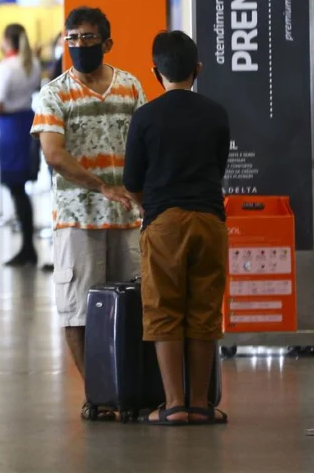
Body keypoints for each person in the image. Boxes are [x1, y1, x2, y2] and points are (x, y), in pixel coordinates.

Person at [30, 7, 145, 416]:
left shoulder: (130, 87)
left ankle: (130, 388)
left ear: (107, 43)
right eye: (72, 38)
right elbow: (54, 155)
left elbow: (145, 146)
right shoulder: (54, 94)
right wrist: (102, 187)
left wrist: (136, 193)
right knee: (79, 309)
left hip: (128, 218)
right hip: (77, 218)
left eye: (88, 39)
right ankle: (99, 394)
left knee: (134, 309)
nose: (79, 46)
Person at [123, 31, 230, 426]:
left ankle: (173, 406)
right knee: (204, 311)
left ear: (155, 73)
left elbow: (132, 179)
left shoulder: (145, 116)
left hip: (164, 221)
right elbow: (217, 170)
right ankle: (201, 404)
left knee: (164, 310)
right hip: (210, 220)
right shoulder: (217, 112)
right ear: (197, 70)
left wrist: (147, 203)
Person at [0, 23, 43, 267]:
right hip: (26, 123)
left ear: (7, 41)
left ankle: (28, 247)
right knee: (21, 188)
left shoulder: (6, 67)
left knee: (16, 188)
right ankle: (27, 245)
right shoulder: (33, 64)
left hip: (10, 128)